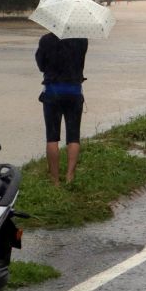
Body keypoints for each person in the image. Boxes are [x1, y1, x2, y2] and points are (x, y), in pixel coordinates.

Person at [36, 31, 89, 185]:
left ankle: (55, 180)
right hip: (74, 92)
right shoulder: (82, 39)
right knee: (74, 135)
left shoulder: (46, 40)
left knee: (52, 137)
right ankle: (70, 177)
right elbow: (80, 63)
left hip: (52, 92)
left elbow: (41, 66)